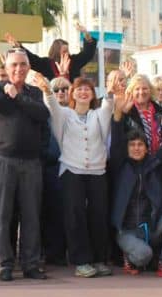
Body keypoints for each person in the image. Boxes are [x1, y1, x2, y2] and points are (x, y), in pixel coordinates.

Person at [0, 49, 51, 281]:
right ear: (6, 68)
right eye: (14, 65)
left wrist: (17, 96)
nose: (18, 69)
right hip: (1, 160)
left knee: (31, 215)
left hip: (31, 163)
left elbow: (42, 114)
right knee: (2, 215)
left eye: (23, 64)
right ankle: (3, 263)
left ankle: (30, 264)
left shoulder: (34, 93)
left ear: (28, 67)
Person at [40, 73, 114, 278]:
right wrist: (46, 89)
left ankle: (99, 259)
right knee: (75, 216)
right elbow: (52, 105)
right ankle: (81, 261)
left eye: (87, 89)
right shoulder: (65, 114)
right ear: (73, 93)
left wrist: (111, 90)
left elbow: (109, 106)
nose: (83, 92)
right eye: (79, 88)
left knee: (98, 215)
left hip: (97, 171)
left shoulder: (98, 115)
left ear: (92, 95)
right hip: (72, 170)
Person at [109, 89, 162, 279]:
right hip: (127, 231)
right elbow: (116, 143)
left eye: (140, 145)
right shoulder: (120, 165)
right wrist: (118, 114)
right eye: (132, 145)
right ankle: (131, 256)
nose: (136, 148)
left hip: (151, 228)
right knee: (144, 256)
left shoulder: (155, 165)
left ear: (146, 148)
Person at [4, 22, 98, 81]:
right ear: (56, 51)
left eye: (67, 51)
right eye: (64, 51)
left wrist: (86, 34)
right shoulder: (47, 64)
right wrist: (18, 46)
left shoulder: (73, 61)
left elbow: (87, 54)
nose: (67, 54)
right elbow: (32, 59)